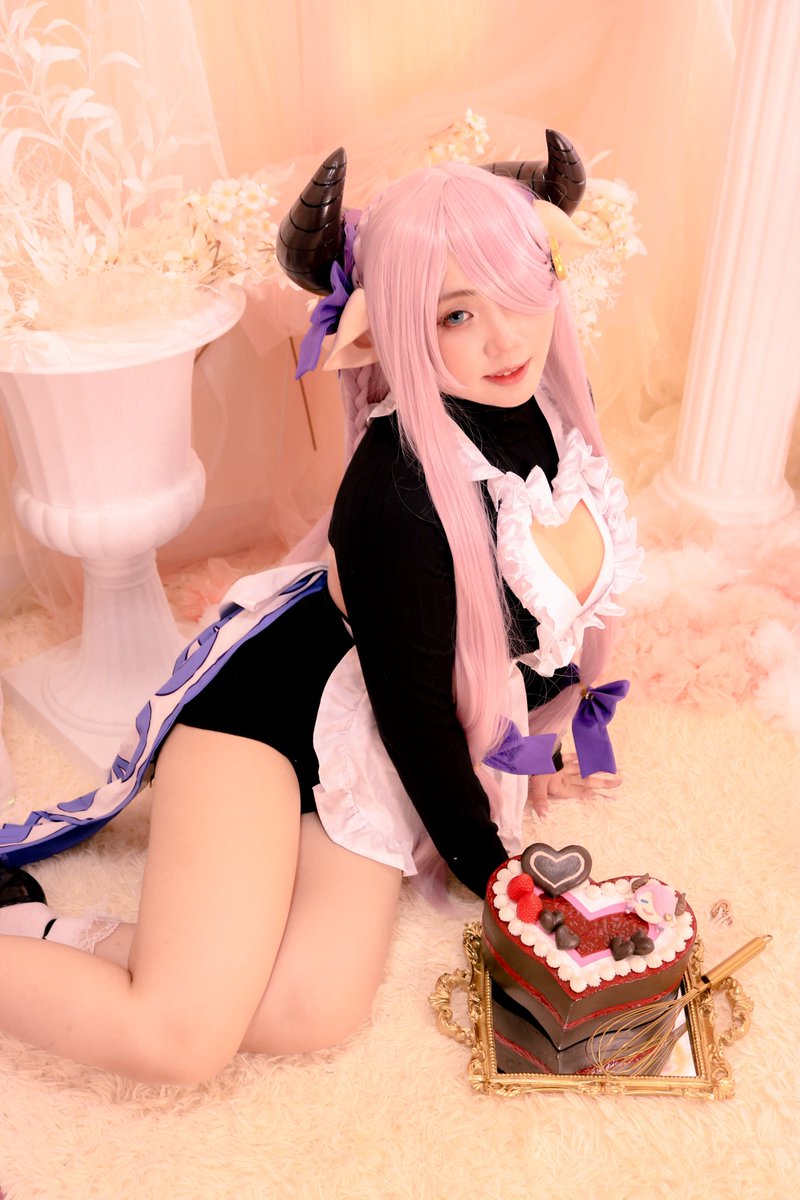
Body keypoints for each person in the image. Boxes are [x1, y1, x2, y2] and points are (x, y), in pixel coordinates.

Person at [0, 135, 640, 1082]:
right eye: (456, 314)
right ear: (391, 326)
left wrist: (548, 736)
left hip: (364, 739)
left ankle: (52, 932)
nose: (505, 340)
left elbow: (536, 619)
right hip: (263, 727)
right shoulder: (397, 492)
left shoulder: (544, 417)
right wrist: (496, 875)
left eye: (516, 291)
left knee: (312, 1012)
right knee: (181, 1040)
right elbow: (417, 714)